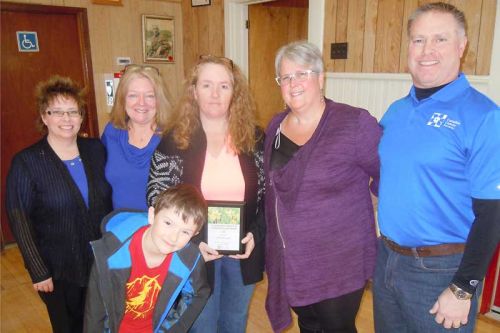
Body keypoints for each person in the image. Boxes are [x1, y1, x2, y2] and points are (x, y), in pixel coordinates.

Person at [374, 2, 500, 332]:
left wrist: (464, 287)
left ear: (462, 46)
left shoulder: (484, 116)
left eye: (440, 39)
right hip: (387, 260)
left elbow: (494, 212)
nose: (427, 50)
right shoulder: (396, 111)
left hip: (441, 272)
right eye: (418, 40)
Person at [264, 41, 381, 333]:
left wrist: (371, 211)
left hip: (338, 261)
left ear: (320, 77)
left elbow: (388, 173)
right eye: (285, 77)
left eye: (301, 74)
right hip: (293, 260)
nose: (293, 83)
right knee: (309, 325)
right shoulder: (276, 126)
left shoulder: (353, 123)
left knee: (336, 327)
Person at [146, 55, 265, 333]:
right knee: (202, 325)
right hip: (193, 252)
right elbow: (157, 196)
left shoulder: (254, 138)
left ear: (235, 93)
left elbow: (271, 199)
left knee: (234, 324)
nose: (215, 94)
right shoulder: (175, 141)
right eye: (207, 85)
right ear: (194, 91)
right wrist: (190, 242)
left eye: (224, 86)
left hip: (242, 254)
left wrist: (256, 235)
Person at [5, 75, 112, 333]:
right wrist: (38, 270)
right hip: (59, 270)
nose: (66, 119)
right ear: (44, 116)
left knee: (102, 323)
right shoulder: (27, 162)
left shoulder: (95, 149)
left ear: (81, 116)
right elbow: (18, 218)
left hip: (100, 263)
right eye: (57, 112)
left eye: (73, 112)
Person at [83, 184, 210, 332]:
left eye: (185, 232)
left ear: (194, 234)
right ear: (152, 215)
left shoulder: (190, 259)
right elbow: (94, 313)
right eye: (168, 223)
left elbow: (198, 294)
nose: (173, 237)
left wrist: (173, 329)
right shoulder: (110, 253)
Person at [102, 64, 172, 211]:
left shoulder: (172, 137)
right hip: (119, 228)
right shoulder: (111, 132)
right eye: (133, 95)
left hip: (159, 230)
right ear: (123, 100)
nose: (141, 103)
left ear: (159, 100)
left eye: (150, 96)